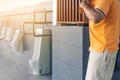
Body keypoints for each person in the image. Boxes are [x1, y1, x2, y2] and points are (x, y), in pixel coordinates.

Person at [79, 0, 120, 80]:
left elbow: (95, 17)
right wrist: (86, 5)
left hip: (103, 50)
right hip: (102, 49)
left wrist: (84, 5)